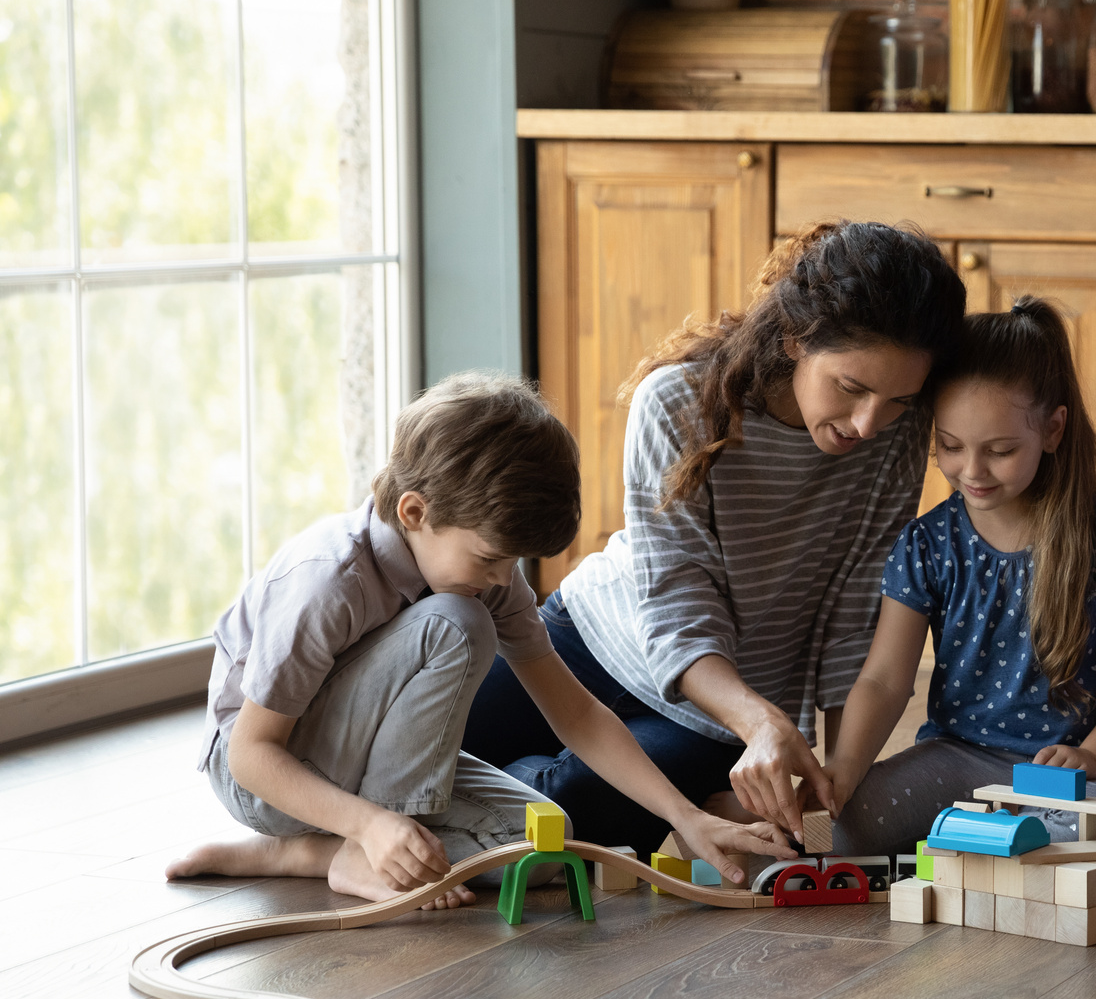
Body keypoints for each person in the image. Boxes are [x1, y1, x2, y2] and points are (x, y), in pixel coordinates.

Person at [168, 373, 791, 908]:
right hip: (270, 775)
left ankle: (307, 854)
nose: (502, 579)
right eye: (491, 558)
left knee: (546, 845)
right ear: (415, 512)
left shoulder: (479, 572)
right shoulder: (327, 581)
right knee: (457, 625)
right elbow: (251, 754)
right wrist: (372, 823)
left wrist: (688, 816)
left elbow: (573, 710)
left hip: (359, 772)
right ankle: (358, 845)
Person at [462, 221, 970, 863]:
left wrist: (839, 776)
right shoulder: (677, 402)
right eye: (851, 387)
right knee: (419, 752)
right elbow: (678, 600)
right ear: (794, 338)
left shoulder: (896, 434)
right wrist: (762, 723)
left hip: (714, 713)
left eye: (898, 399)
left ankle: (538, 786)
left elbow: (854, 615)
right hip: (585, 639)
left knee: (566, 827)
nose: (869, 423)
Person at [823, 297, 1096, 856]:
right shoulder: (926, 544)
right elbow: (885, 680)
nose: (972, 472)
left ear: (1053, 430)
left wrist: (1095, 756)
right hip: (951, 761)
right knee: (838, 831)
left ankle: (971, 848)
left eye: (1001, 450)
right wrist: (839, 776)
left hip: (1066, 780)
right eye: (951, 447)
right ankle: (974, 845)